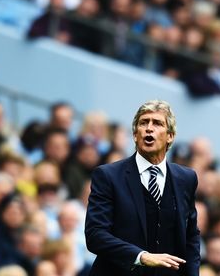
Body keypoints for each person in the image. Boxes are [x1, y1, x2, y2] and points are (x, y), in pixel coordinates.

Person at [85, 100, 200, 275]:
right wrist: (141, 256)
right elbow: (95, 235)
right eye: (143, 122)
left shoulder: (186, 178)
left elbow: (191, 237)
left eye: (157, 123)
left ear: (170, 136)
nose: (149, 128)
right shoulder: (108, 175)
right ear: (135, 135)